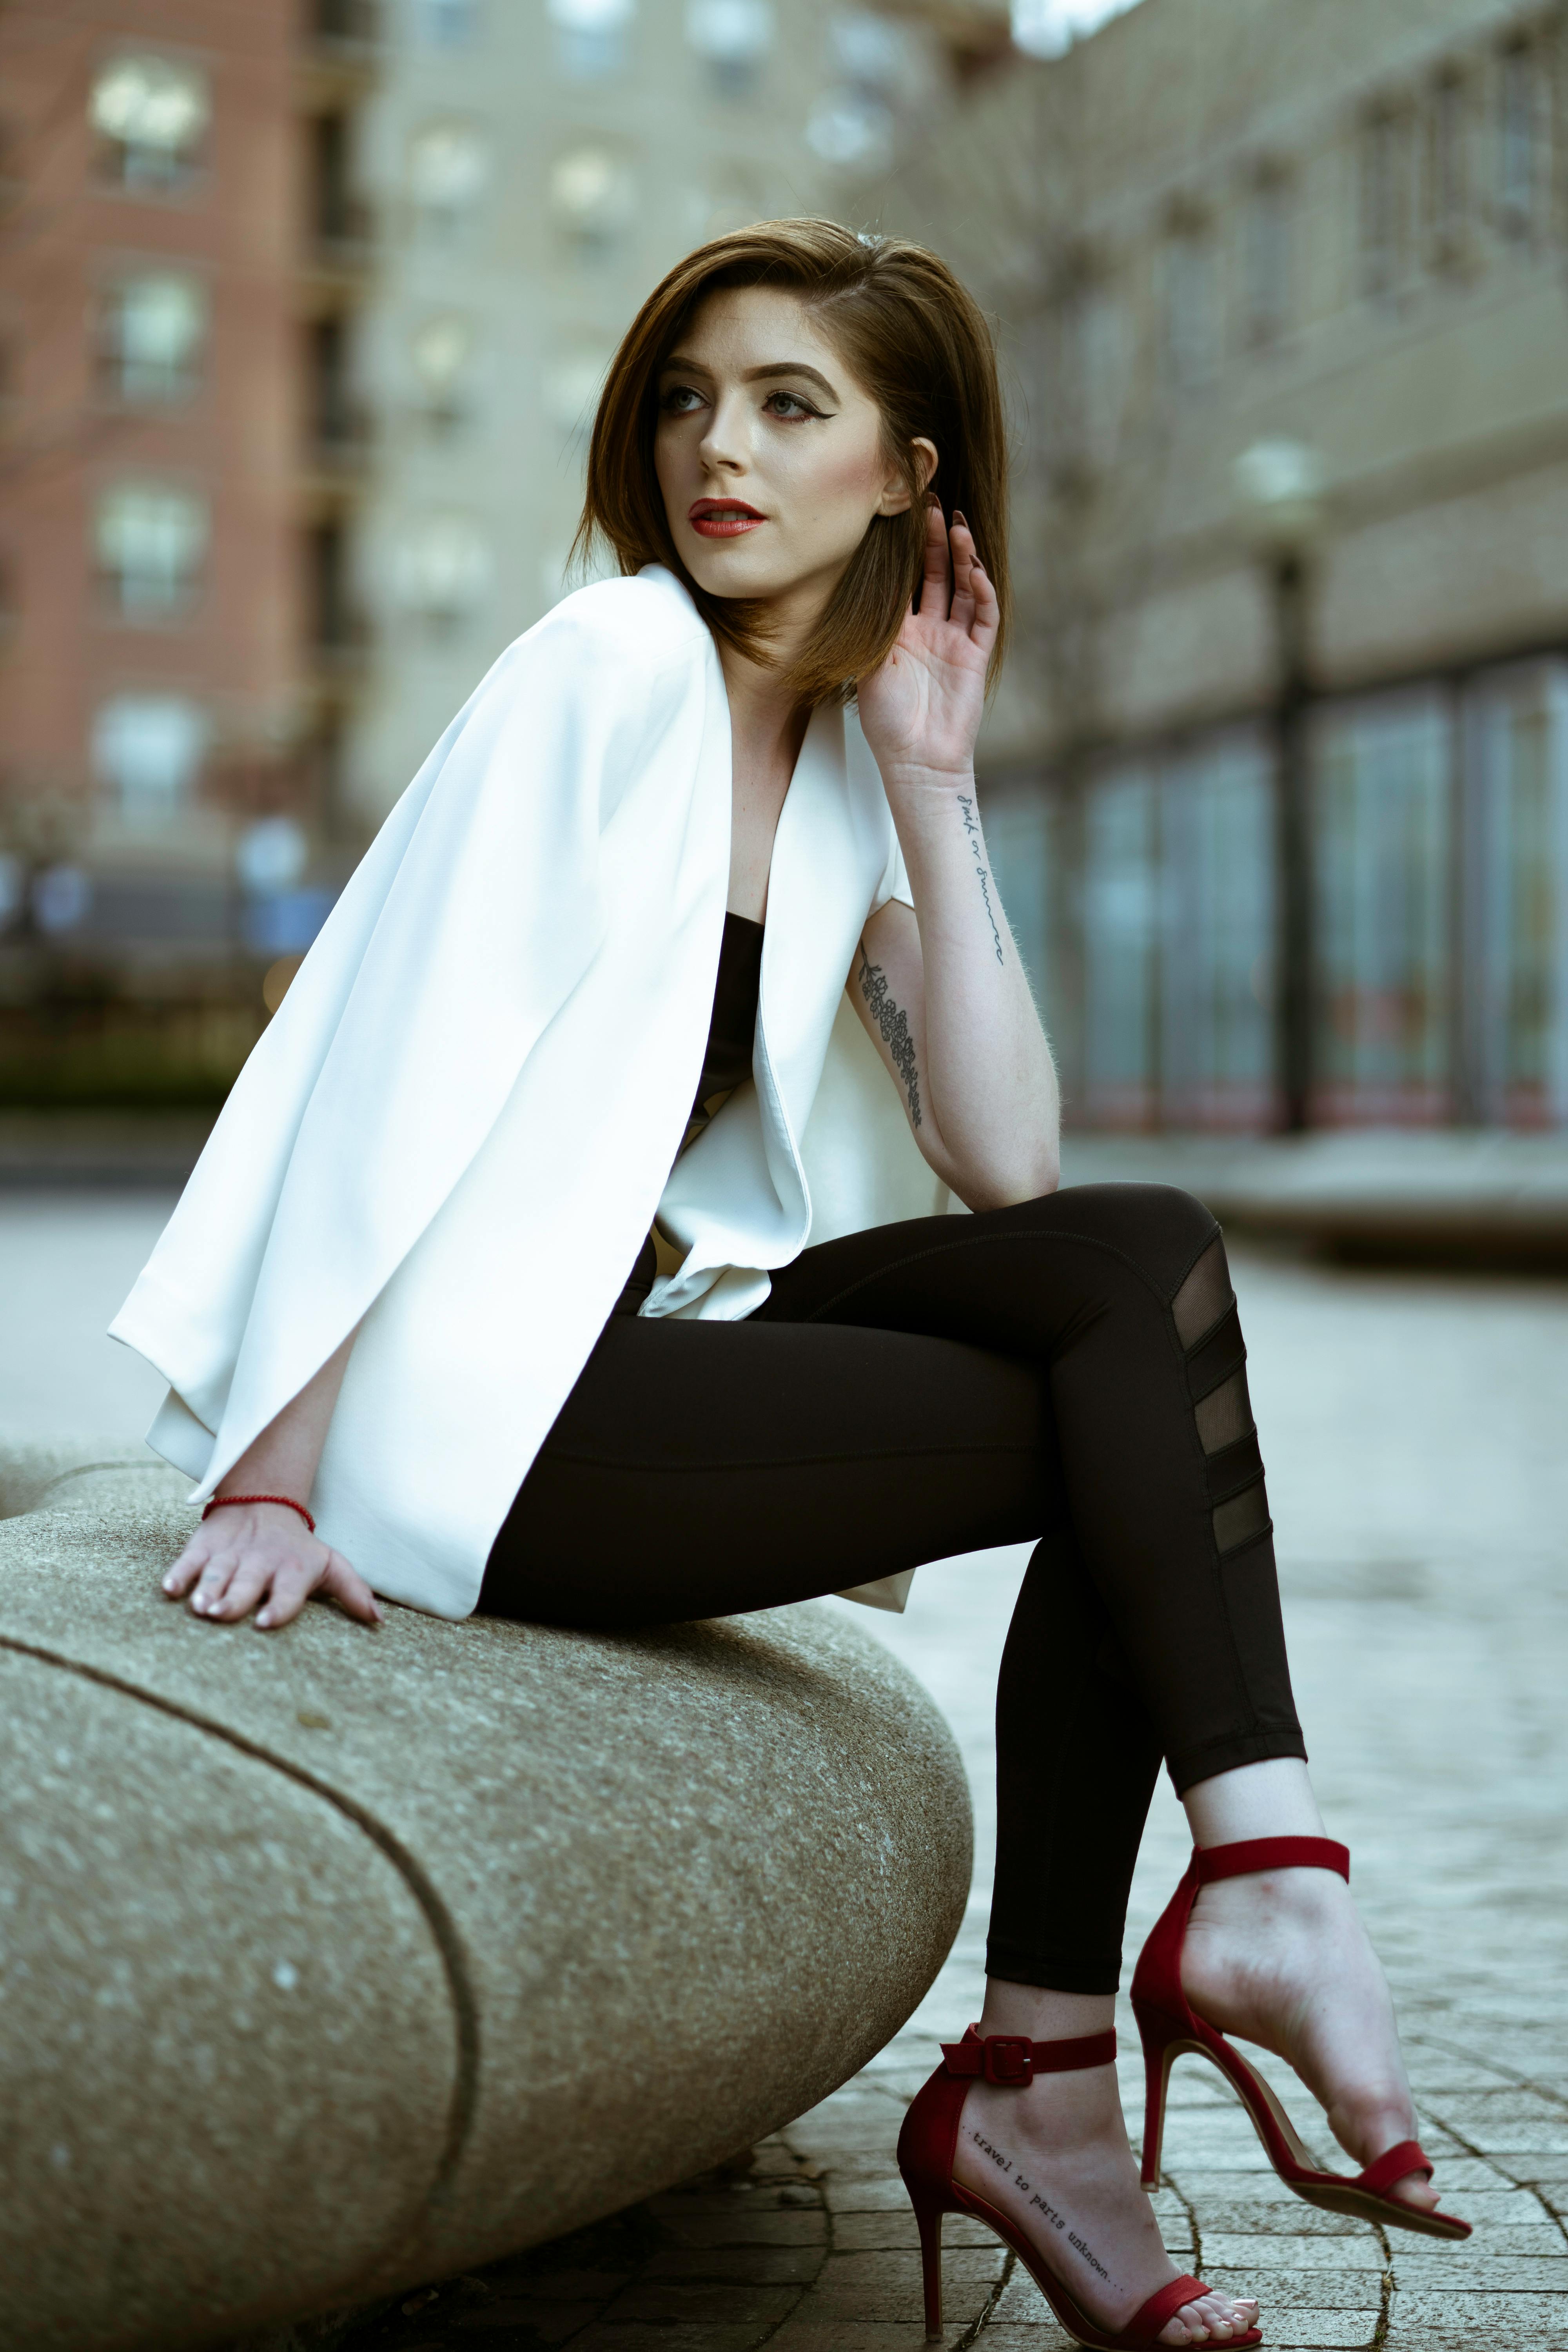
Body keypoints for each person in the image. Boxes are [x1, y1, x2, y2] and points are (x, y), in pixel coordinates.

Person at [118, 222, 1466, 2350]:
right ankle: (1111, 2021)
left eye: (785, 405)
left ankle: (1148, 1982)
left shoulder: (839, 751)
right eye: (687, 397)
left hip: (655, 1347)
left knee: (1141, 1264)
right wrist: (275, 1471)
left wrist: (935, 778)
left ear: (907, 474)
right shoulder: (605, 666)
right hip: (490, 1416)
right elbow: (400, 1049)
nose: (714, 449)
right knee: (1131, 1429)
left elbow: (1008, 1165)